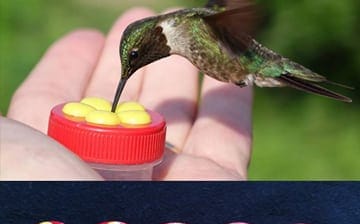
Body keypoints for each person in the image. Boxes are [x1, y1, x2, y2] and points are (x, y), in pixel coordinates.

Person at [0, 7, 253, 180]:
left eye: (133, 58)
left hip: (246, 67)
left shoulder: (192, 27)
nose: (129, 70)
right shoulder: (183, 29)